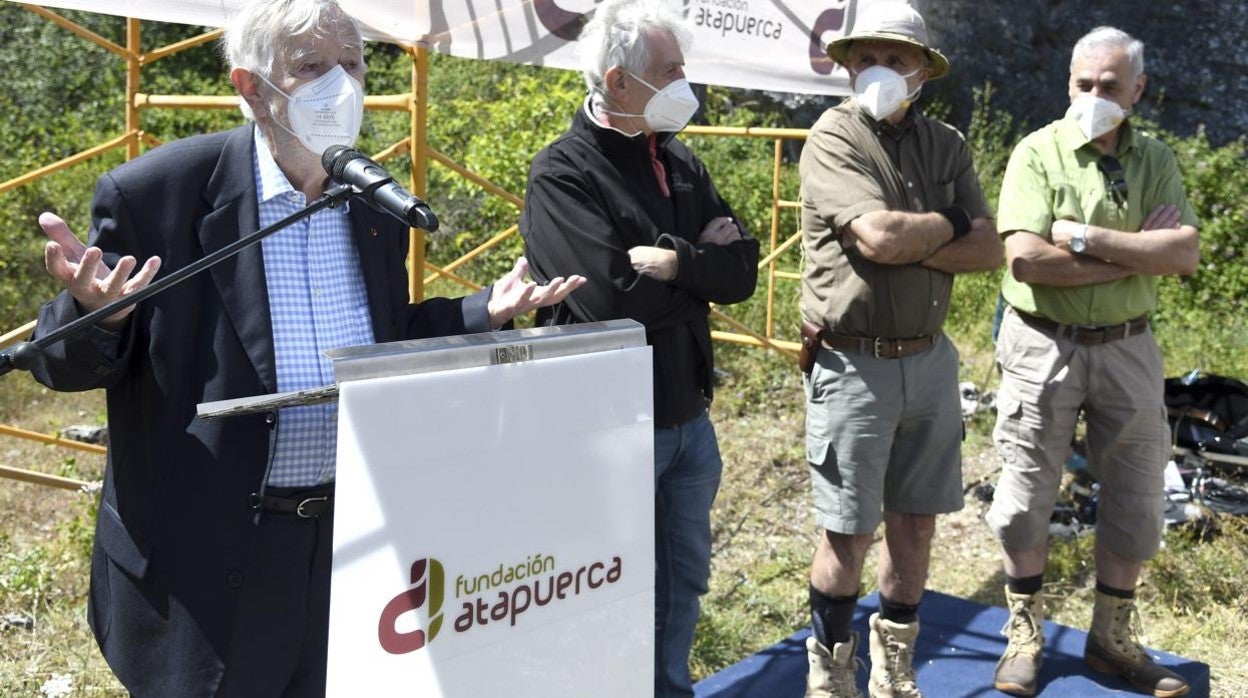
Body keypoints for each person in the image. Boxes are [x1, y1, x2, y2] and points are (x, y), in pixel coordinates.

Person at [28, 1, 583, 695]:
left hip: (345, 543)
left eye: (351, 64)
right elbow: (60, 362)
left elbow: (381, 338)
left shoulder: (373, 198)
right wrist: (95, 316)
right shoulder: (158, 193)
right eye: (312, 67)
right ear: (251, 88)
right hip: (206, 560)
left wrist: (481, 311)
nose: (341, 86)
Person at [518, 1, 758, 695]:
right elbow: (610, 302)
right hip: (609, 427)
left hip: (689, 419)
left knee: (684, 582)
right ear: (619, 83)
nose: (687, 84)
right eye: (672, 71)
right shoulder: (562, 174)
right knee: (615, 591)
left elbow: (742, 270)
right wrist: (697, 269)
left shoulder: (678, 159)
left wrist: (674, 262)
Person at [987, 26, 1198, 698]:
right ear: (1067, 84)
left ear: (1137, 89)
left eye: (1110, 86)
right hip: (1039, 343)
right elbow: (1025, 259)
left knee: (1137, 496)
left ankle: (1112, 639)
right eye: (1083, 84)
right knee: (1024, 496)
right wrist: (1140, 250)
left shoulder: (1156, 157)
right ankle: (1024, 632)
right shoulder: (1036, 153)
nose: (1095, 97)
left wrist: (1087, 240)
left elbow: (1184, 256)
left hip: (1129, 346)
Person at [798, 3, 1002, 696]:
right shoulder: (834, 135)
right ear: (848, 65)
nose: (876, 70)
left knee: (915, 525)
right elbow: (879, 239)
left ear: (923, 72)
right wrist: (948, 224)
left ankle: (893, 667)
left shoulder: (946, 143)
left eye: (894, 57)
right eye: (864, 58)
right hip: (853, 363)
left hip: (931, 359)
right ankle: (831, 675)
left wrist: (926, 239)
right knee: (847, 534)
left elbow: (991, 247)